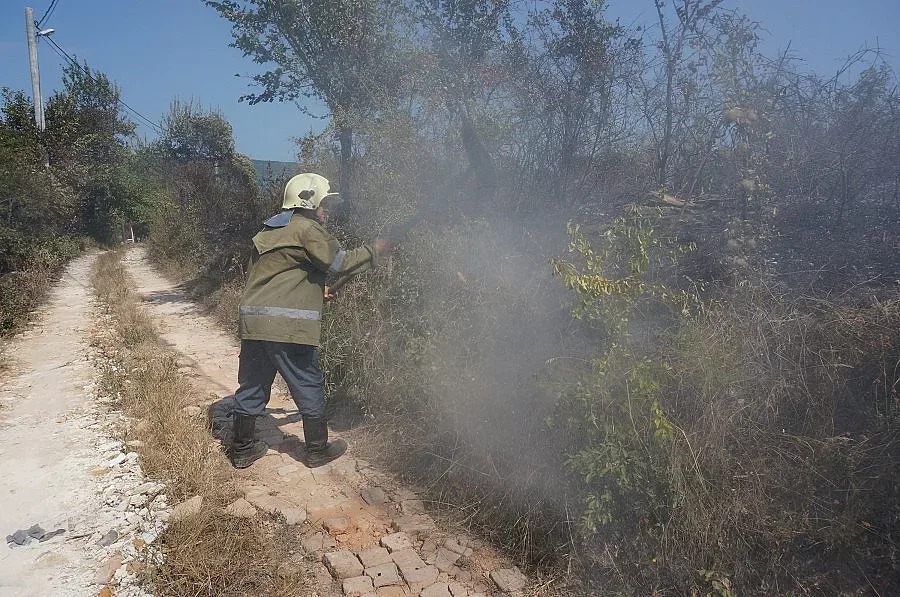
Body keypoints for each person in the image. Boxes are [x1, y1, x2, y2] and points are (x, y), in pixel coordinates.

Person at [226, 172, 390, 469]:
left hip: (254, 323)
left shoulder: (268, 231)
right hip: (288, 327)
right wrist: (374, 251)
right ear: (309, 202)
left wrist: (316, 291)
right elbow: (339, 262)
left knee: (252, 386)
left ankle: (241, 449)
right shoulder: (307, 229)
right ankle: (317, 451)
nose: (325, 209)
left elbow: (273, 277)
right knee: (308, 383)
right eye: (324, 203)